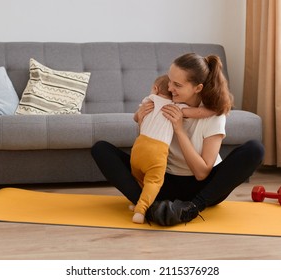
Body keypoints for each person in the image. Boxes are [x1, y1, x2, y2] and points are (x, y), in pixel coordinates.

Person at [91, 53, 265, 226]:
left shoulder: (213, 116)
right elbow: (148, 153)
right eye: (169, 81)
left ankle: (192, 208)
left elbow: (202, 172)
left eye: (177, 85)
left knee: (255, 149)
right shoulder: (164, 105)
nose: (170, 88)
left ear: (197, 88)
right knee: (101, 149)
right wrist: (142, 121)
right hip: (163, 183)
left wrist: (179, 130)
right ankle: (147, 207)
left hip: (204, 188)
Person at [130, 74, 214, 224]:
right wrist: (214, 111)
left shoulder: (149, 100)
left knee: (139, 177)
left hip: (138, 149)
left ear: (155, 89)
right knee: (153, 182)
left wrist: (139, 117)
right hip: (157, 152)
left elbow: (136, 117)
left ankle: (141, 200)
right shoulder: (176, 107)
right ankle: (141, 209)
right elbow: (198, 113)